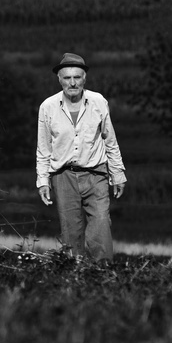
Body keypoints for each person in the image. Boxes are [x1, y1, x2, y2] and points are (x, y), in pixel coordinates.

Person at [36, 52, 126, 261]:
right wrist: (43, 180)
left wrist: (118, 172)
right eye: (67, 78)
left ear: (84, 78)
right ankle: (75, 278)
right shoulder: (48, 107)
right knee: (71, 232)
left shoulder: (98, 102)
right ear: (59, 79)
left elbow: (109, 140)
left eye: (77, 77)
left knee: (101, 226)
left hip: (96, 174)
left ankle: (102, 276)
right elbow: (43, 148)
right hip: (63, 176)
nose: (72, 83)